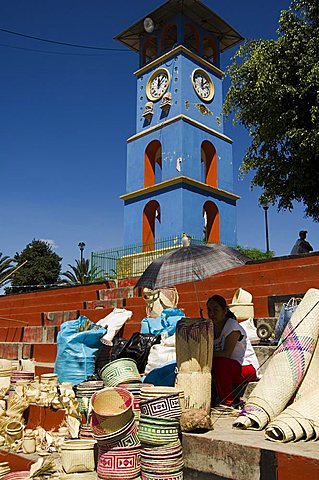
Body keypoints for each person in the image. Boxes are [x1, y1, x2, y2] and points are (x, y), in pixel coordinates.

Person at [206, 294, 260, 408]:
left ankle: (227, 403)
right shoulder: (211, 327)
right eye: (209, 310)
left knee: (220, 363)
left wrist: (204, 354)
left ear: (224, 310)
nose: (212, 314)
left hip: (245, 367)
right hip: (227, 369)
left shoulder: (232, 327)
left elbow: (226, 353)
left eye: (216, 310)